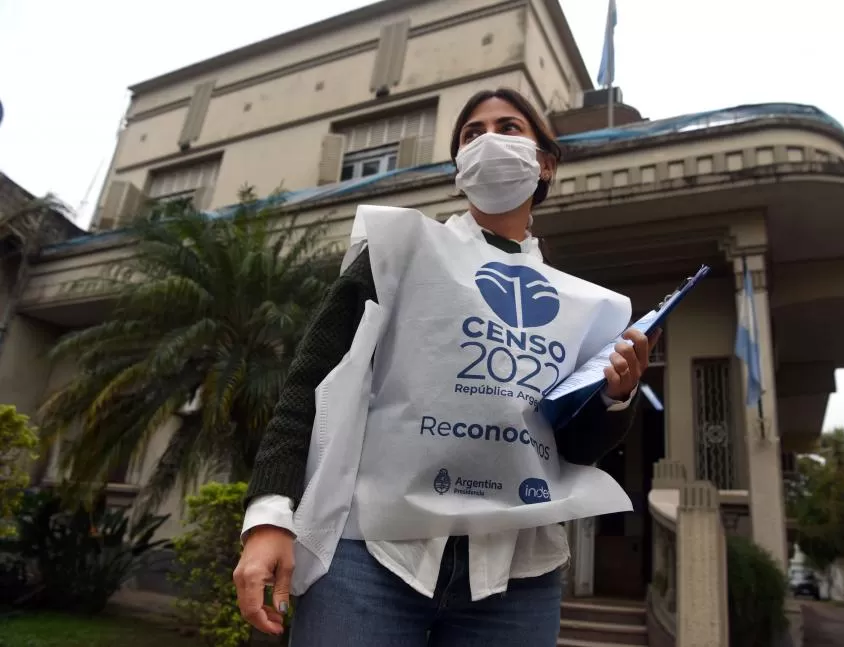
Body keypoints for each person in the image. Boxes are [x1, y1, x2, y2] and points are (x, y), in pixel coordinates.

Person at [233, 88, 659, 647]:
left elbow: (573, 449)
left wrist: (615, 397)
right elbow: (310, 385)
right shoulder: (396, 252)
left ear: (545, 163)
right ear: (458, 168)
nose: (489, 140)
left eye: (509, 128)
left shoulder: (582, 308)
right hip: (369, 556)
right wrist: (269, 516)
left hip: (518, 579)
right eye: (471, 134)